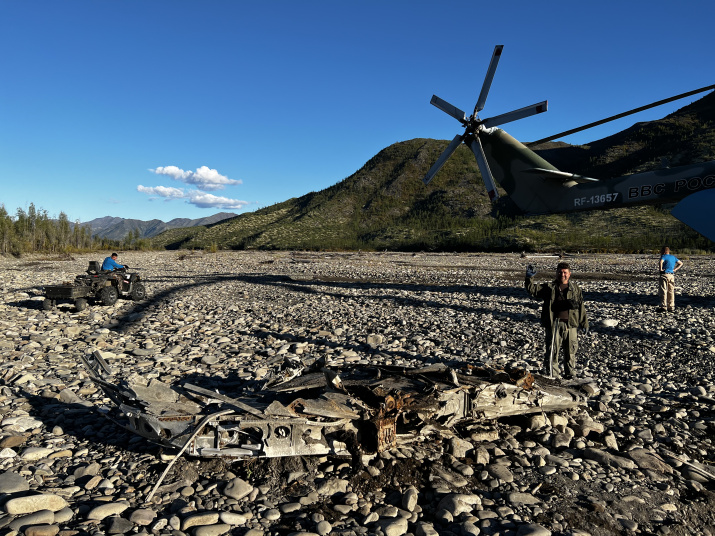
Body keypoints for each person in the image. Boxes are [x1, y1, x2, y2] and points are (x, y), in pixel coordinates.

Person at [525, 262, 588, 379]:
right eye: (560, 272)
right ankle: (553, 375)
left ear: (569, 274)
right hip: (554, 324)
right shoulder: (549, 288)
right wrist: (529, 277)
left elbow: (581, 307)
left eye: (565, 272)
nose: (562, 274)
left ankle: (571, 375)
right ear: (556, 273)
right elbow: (532, 290)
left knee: (571, 352)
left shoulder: (575, 289)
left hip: (571, 325)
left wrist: (584, 323)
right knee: (552, 351)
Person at [658, 246, 683, 312]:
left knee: (663, 290)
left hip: (664, 274)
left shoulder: (663, 256)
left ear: (663, 251)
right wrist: (675, 269)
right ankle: (671, 306)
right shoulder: (673, 257)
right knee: (671, 291)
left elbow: (661, 262)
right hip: (671, 275)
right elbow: (681, 263)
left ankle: (664, 306)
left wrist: (660, 269)